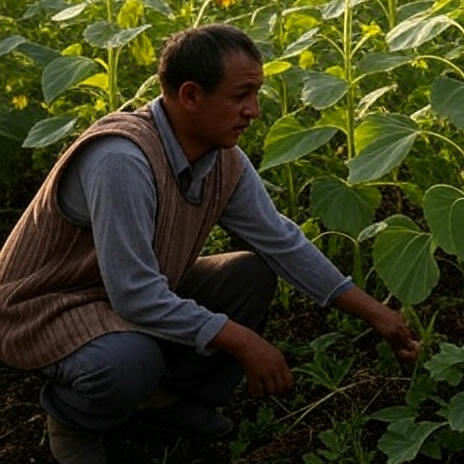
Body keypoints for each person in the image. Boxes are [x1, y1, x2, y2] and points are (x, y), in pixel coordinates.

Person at [0, 24, 420, 464]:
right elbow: (135, 294)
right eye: (240, 96)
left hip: (120, 293)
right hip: (48, 306)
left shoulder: (222, 159)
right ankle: (73, 420)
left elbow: (280, 241)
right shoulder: (120, 160)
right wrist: (242, 341)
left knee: (248, 274)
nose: (253, 111)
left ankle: (163, 400)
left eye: (256, 94)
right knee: (128, 361)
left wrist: (376, 314)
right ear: (190, 95)